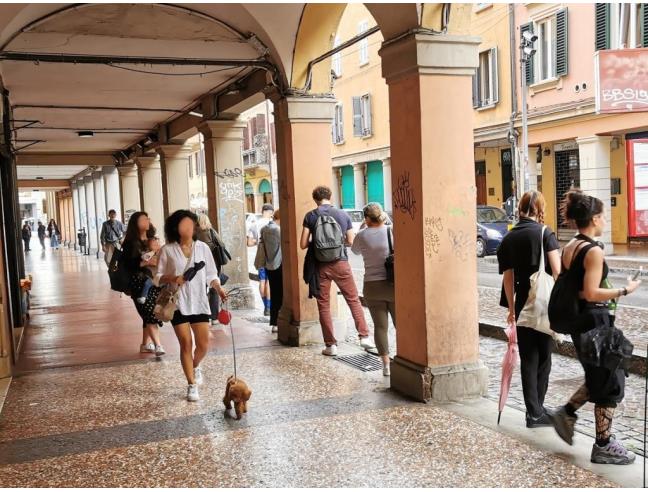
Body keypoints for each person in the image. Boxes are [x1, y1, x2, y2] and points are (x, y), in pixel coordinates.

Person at [549, 189, 641, 465]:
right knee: (609, 381)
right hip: (594, 323)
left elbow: (574, 287)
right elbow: (590, 292)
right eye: (603, 216)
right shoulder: (593, 251)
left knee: (599, 374)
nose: (605, 221)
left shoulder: (571, 245)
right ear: (595, 218)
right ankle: (603, 444)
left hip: (582, 324)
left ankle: (566, 412)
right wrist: (625, 290)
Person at [497, 190, 561, 428]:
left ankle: (533, 411)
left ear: (521, 208)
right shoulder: (545, 233)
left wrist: (511, 308)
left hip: (523, 302)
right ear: (540, 209)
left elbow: (508, 278)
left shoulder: (510, 237)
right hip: (544, 304)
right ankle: (536, 412)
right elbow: (557, 271)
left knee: (528, 359)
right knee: (544, 358)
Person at [155, 210, 227, 402]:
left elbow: (212, 273)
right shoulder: (167, 250)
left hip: (199, 301)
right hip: (178, 303)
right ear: (175, 227)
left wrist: (218, 289)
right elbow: (156, 277)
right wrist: (173, 278)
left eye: (191, 224)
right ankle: (191, 384)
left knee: (203, 344)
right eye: (183, 224)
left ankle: (195, 366)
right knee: (186, 343)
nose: (188, 227)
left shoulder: (202, 247)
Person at [300, 185, 373, 356]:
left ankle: (331, 346)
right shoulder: (342, 214)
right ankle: (364, 337)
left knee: (323, 305)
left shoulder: (310, 216)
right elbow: (351, 241)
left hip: (320, 266)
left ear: (315, 199)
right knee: (353, 300)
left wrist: (319, 245)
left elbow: (303, 244)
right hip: (341, 262)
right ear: (330, 196)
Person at [351, 203, 395, 376]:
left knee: (380, 327)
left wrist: (363, 228)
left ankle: (385, 366)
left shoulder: (362, 235)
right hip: (392, 284)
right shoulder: (391, 231)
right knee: (401, 325)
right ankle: (404, 357)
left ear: (367, 218)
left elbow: (354, 251)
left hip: (371, 286)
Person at [121, 211, 166, 357]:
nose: (147, 221)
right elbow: (128, 264)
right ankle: (158, 345)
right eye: (143, 219)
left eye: (148, 218)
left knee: (148, 312)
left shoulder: (152, 239)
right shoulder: (130, 243)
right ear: (136, 223)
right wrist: (144, 262)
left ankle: (145, 345)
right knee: (150, 312)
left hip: (153, 280)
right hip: (137, 282)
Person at [196, 213, 225, 324]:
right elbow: (222, 244)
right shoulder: (211, 232)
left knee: (201, 289)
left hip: (198, 265)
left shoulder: (194, 234)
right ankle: (214, 317)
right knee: (214, 289)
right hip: (213, 264)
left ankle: (203, 314)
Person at [248, 203, 274, 316]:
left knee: (262, 281)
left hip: (260, 255)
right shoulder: (272, 224)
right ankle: (269, 307)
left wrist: (258, 243)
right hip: (271, 256)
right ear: (270, 212)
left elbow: (249, 243)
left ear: (262, 211)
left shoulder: (255, 225)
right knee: (269, 282)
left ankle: (265, 306)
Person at [259, 209, 282, 333]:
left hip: (269, 264)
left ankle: (274, 322)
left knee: (274, 292)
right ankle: (278, 321)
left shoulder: (264, 229)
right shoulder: (279, 230)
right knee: (280, 294)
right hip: (280, 265)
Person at [136, 237, 161, 304]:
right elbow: (144, 258)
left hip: (159, 277)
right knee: (147, 283)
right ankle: (143, 297)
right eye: (154, 245)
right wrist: (153, 252)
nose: (156, 246)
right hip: (151, 276)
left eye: (157, 244)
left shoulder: (161, 253)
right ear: (149, 247)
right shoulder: (147, 253)